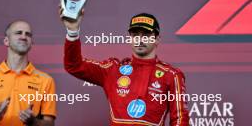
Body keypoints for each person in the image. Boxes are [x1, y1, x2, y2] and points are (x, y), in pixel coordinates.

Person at [61, 10, 189, 126]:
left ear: (157, 39)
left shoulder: (171, 75)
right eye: (135, 35)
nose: (140, 39)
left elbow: (180, 119)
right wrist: (73, 31)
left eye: (146, 34)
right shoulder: (113, 70)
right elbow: (74, 65)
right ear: (130, 38)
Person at [0, 20, 56, 126]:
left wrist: (33, 122)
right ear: (6, 41)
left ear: (31, 44)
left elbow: (50, 124)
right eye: (18, 33)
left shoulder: (46, 80)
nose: (24, 37)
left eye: (28, 34)